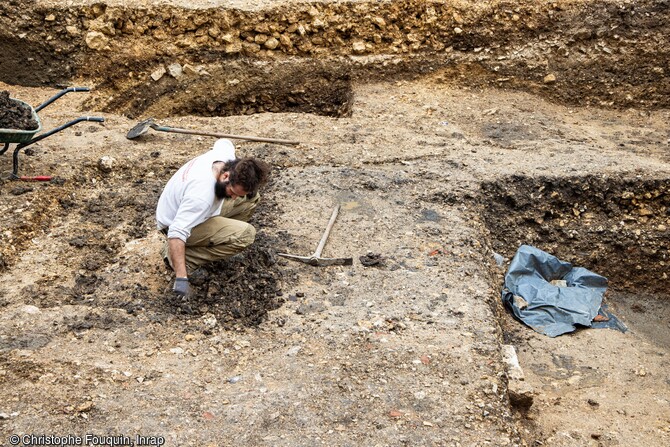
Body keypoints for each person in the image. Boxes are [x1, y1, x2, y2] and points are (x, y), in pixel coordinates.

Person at [156, 139, 271, 296]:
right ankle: (181, 259)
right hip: (173, 225)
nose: (235, 198)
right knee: (246, 234)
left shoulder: (224, 158)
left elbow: (224, 142)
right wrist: (181, 279)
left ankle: (218, 241)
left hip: (190, 211)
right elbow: (176, 232)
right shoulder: (201, 197)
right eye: (233, 193)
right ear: (225, 176)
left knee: (251, 199)